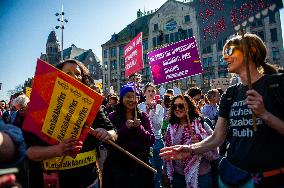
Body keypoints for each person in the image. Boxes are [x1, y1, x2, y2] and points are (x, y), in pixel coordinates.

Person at [160, 33, 284, 187]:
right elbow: (217, 138)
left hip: (269, 178)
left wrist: (265, 115)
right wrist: (190, 149)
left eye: (230, 52)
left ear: (250, 51)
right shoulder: (230, 94)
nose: (225, 58)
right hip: (233, 176)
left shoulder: (277, 84)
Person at [23, 59, 117, 188]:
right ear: (58, 76)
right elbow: (29, 152)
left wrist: (107, 133)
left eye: (78, 74)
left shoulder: (92, 105)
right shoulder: (40, 108)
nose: (74, 77)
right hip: (52, 182)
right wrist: (57, 150)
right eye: (68, 73)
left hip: (89, 182)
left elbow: (113, 132)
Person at [102, 83, 155, 188]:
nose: (131, 99)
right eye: (128, 96)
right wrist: (124, 128)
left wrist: (140, 128)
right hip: (118, 168)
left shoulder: (143, 116)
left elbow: (151, 140)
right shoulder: (112, 117)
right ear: (122, 99)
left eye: (134, 96)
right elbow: (107, 143)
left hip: (140, 166)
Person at [163, 95, 218, 188]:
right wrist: (165, 173)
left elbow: (214, 155)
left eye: (181, 106)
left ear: (189, 107)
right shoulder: (171, 129)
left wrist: (199, 146)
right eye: (174, 106)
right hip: (178, 177)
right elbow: (167, 152)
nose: (177, 108)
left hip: (200, 178)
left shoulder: (202, 126)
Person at [138, 82, 164, 188]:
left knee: (159, 169)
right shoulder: (139, 107)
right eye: (148, 91)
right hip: (146, 142)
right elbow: (142, 125)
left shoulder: (159, 107)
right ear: (144, 93)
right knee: (150, 169)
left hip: (158, 141)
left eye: (153, 91)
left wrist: (153, 112)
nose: (151, 93)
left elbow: (158, 127)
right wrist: (147, 112)